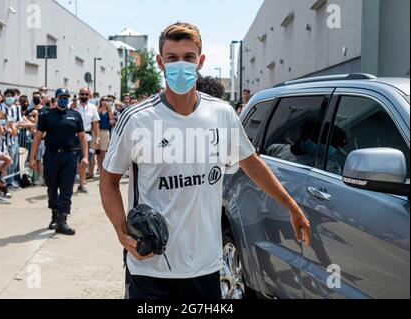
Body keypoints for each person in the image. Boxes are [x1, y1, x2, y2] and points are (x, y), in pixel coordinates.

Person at [100, 22, 311, 299]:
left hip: (206, 266)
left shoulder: (221, 113)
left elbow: (251, 163)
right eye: (172, 58)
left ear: (200, 61)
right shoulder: (137, 118)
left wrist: (291, 206)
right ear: (160, 63)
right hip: (151, 268)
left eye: (188, 57)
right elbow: (108, 181)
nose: (181, 65)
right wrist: (121, 231)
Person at [29, 88, 89, 236]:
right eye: (61, 97)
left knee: (67, 188)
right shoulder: (46, 116)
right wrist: (32, 158)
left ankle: (62, 220)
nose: (64, 99)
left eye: (66, 97)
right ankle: (55, 213)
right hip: (51, 156)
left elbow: (82, 137)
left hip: (70, 156)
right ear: (55, 99)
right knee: (51, 187)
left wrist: (85, 156)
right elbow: (37, 137)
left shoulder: (75, 115)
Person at [74, 88, 100, 193]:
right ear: (79, 95)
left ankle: (81, 183)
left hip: (86, 136)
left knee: (84, 160)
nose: (84, 96)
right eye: (82, 94)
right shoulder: (73, 106)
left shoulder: (93, 108)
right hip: (72, 135)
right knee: (71, 159)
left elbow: (95, 124)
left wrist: (97, 137)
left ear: (89, 95)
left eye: (86, 94)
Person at [96, 97, 115, 176]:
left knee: (103, 152)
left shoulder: (109, 110)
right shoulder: (97, 110)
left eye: (106, 100)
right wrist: (101, 108)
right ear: (100, 101)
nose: (105, 101)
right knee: (97, 153)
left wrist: (109, 109)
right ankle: (99, 168)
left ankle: (103, 171)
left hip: (105, 132)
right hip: (96, 132)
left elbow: (111, 120)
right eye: (103, 100)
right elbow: (94, 117)